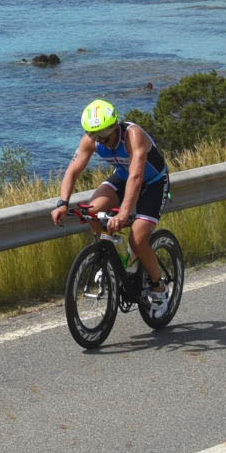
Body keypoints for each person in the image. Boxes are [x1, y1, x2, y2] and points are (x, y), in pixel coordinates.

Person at [53, 99, 171, 305]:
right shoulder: (92, 139)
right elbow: (72, 171)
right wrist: (62, 202)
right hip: (124, 177)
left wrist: (123, 213)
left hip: (153, 182)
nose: (101, 140)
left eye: (105, 136)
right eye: (95, 135)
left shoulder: (134, 136)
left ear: (116, 126)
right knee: (91, 211)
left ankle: (158, 286)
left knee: (138, 239)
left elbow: (137, 176)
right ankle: (112, 259)